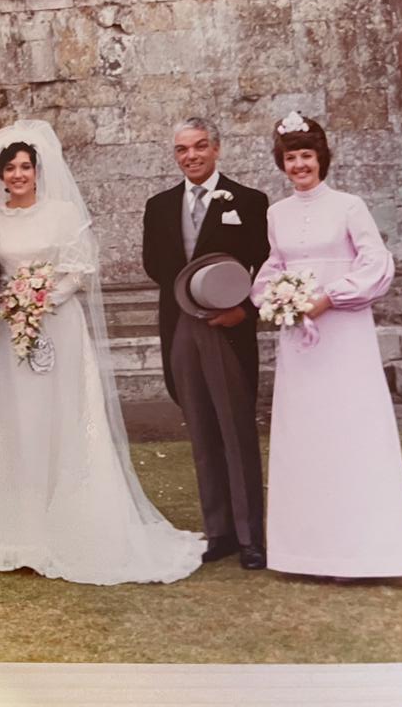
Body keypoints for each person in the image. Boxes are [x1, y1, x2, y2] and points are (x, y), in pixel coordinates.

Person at [0, 120, 204, 585]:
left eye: (25, 167)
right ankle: (15, 532)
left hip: (58, 325)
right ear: (1, 174)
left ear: (37, 170)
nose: (17, 175)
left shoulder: (64, 213)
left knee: (63, 417)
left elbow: (81, 268)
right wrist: (7, 295)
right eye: (10, 168)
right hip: (11, 333)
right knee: (18, 422)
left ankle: (69, 524)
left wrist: (44, 297)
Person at [250, 112, 402, 579]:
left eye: (307, 156)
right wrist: (275, 299)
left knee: (350, 430)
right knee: (306, 436)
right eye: (291, 158)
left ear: (321, 158)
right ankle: (306, 553)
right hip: (301, 344)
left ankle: (367, 553)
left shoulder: (349, 205)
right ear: (281, 164)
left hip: (344, 337)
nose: (299, 165)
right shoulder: (276, 213)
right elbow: (273, 265)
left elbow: (376, 263)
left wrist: (331, 297)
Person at [141, 117, 270, 570]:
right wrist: (191, 291)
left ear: (216, 148)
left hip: (227, 327)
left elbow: (269, 268)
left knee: (236, 430)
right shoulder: (158, 206)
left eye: (199, 147)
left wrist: (244, 310)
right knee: (199, 429)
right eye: (181, 149)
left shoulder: (250, 202)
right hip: (181, 325)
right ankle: (219, 532)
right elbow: (154, 264)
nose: (190, 156)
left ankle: (252, 535)